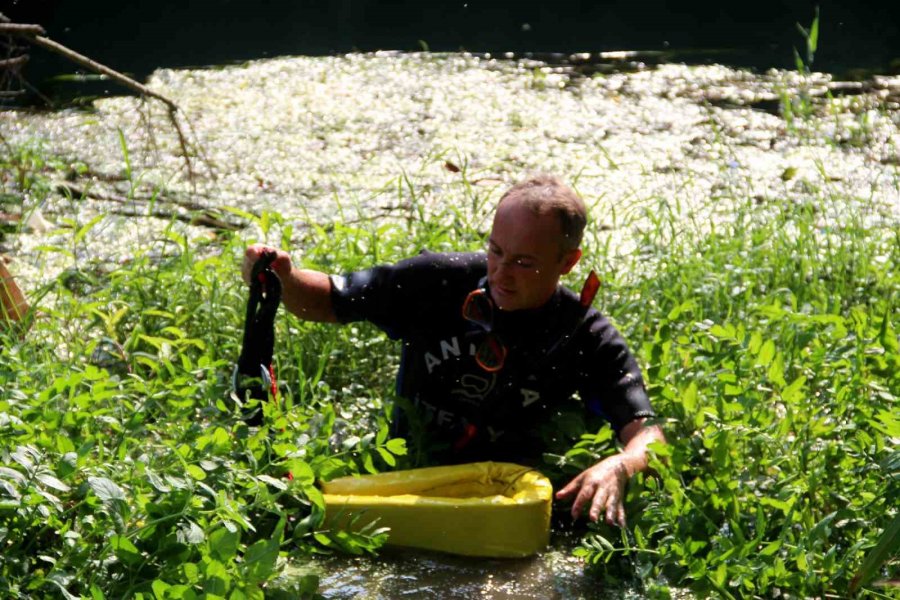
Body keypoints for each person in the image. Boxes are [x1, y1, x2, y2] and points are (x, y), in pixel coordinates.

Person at [242, 175, 666, 526]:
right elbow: (328, 300)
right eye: (496, 251)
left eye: (524, 263)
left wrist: (620, 467)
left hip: (502, 503)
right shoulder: (438, 282)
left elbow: (647, 436)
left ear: (567, 263)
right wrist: (284, 275)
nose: (501, 274)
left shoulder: (585, 334)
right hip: (406, 476)